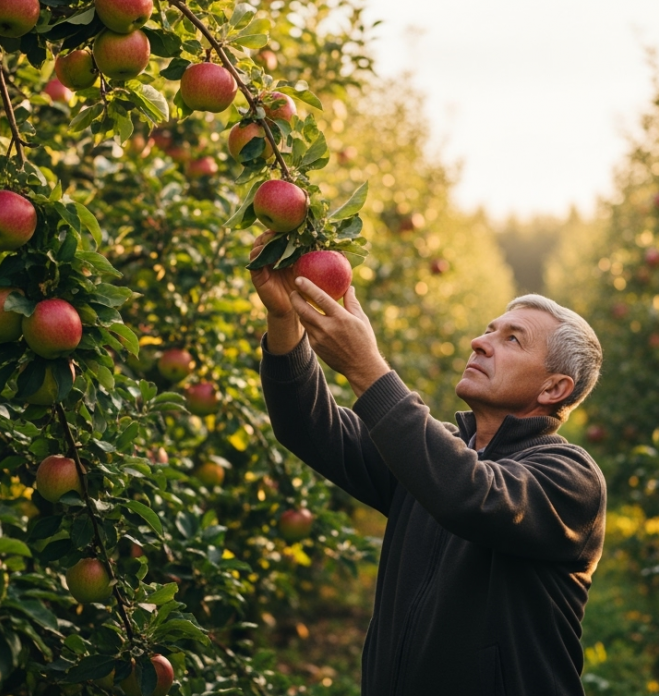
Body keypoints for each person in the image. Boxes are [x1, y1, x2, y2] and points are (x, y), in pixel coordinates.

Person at [251, 237, 606, 696]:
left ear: (554, 389)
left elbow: (470, 494)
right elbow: (308, 427)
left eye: (512, 339)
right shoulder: (434, 451)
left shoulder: (570, 477)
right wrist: (284, 320)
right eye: (488, 330)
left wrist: (367, 370)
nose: (480, 342)